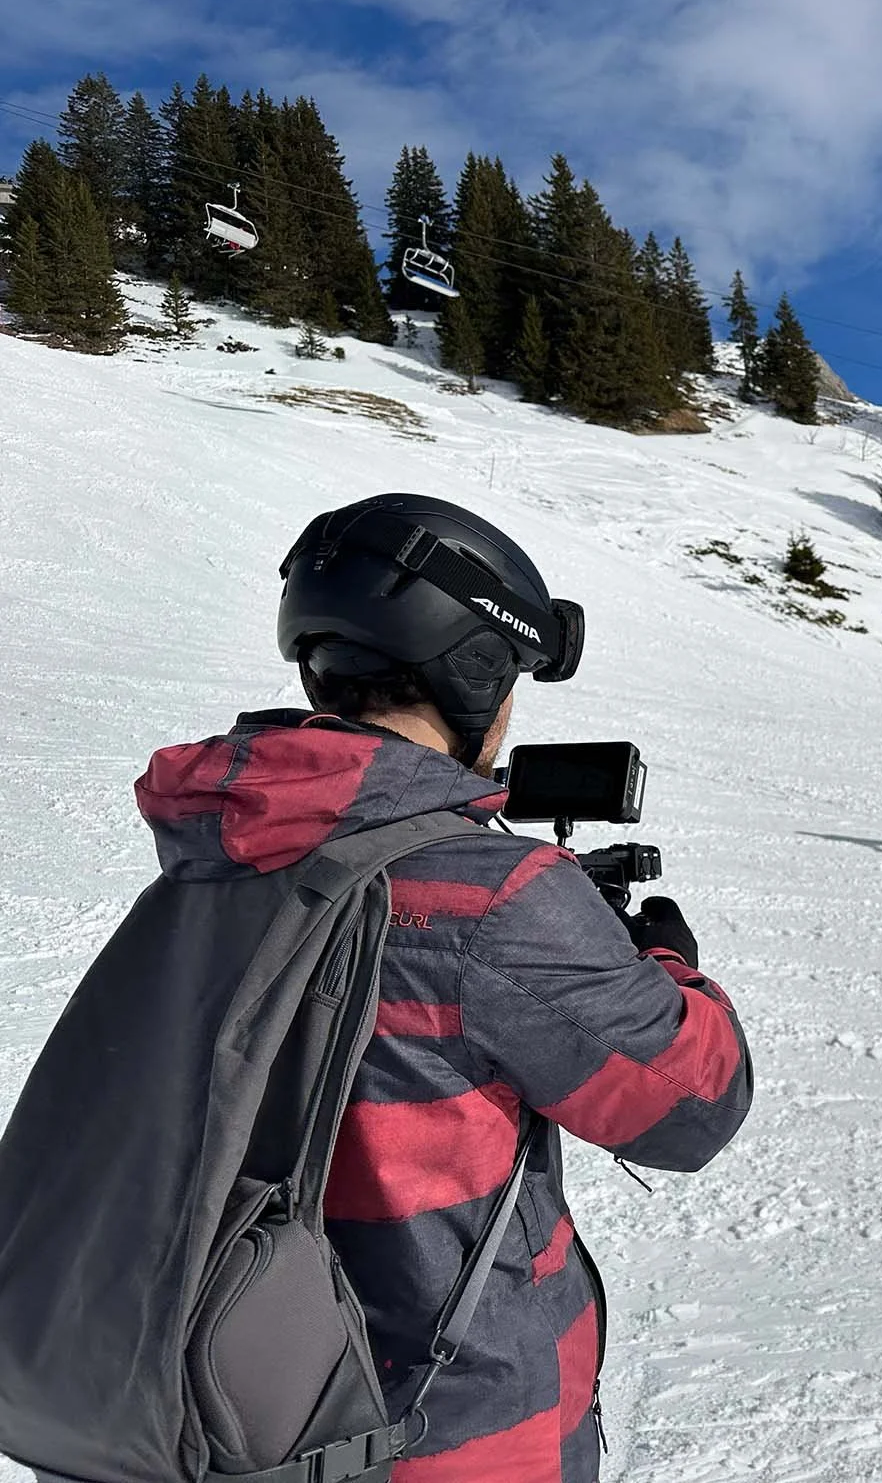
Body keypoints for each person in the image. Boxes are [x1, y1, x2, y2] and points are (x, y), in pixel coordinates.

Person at [141, 495, 753, 1480]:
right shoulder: (495, 896)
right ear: (473, 670)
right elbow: (690, 1108)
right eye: (508, 674)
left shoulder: (215, 851)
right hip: (443, 1432)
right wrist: (669, 964)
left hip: (219, 1401)